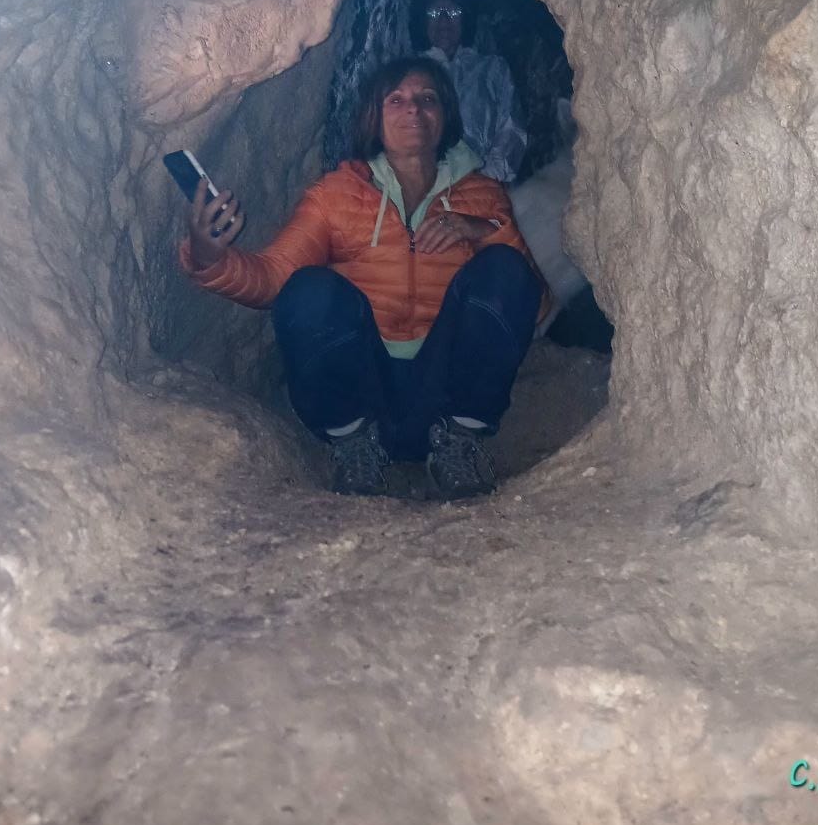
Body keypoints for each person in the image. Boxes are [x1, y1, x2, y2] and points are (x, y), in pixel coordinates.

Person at [179, 57, 550, 498]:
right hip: (363, 393)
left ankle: (458, 444)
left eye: (427, 98)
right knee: (308, 289)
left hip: (446, 396)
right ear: (373, 116)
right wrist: (210, 257)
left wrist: (484, 231)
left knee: (505, 266)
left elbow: (531, 303)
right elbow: (274, 279)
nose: (413, 109)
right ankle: (355, 445)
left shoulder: (483, 196)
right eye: (396, 99)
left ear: (446, 113)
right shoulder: (336, 196)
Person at [416, 0, 528, 184]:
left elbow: (512, 128)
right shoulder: (408, 73)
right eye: (434, 12)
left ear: (465, 18)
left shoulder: (493, 69)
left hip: (484, 187)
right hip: (423, 190)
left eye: (453, 12)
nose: (443, 20)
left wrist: (488, 176)